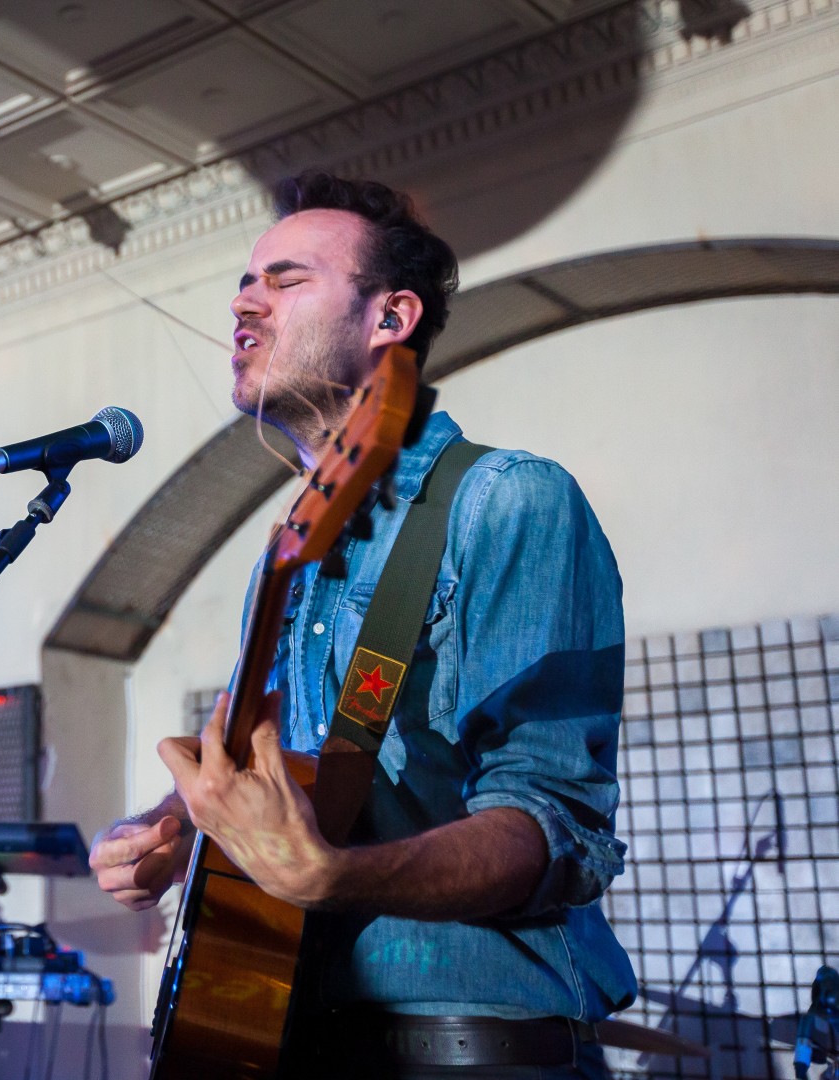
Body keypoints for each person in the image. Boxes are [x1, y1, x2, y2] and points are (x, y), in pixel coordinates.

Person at [89, 171, 637, 1078]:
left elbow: (555, 825)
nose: (243, 303)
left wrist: (334, 876)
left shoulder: (506, 501)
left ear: (391, 319)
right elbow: (272, 773)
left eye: (286, 279)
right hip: (292, 1032)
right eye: (244, 281)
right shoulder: (294, 551)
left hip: (466, 1048)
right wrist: (170, 830)